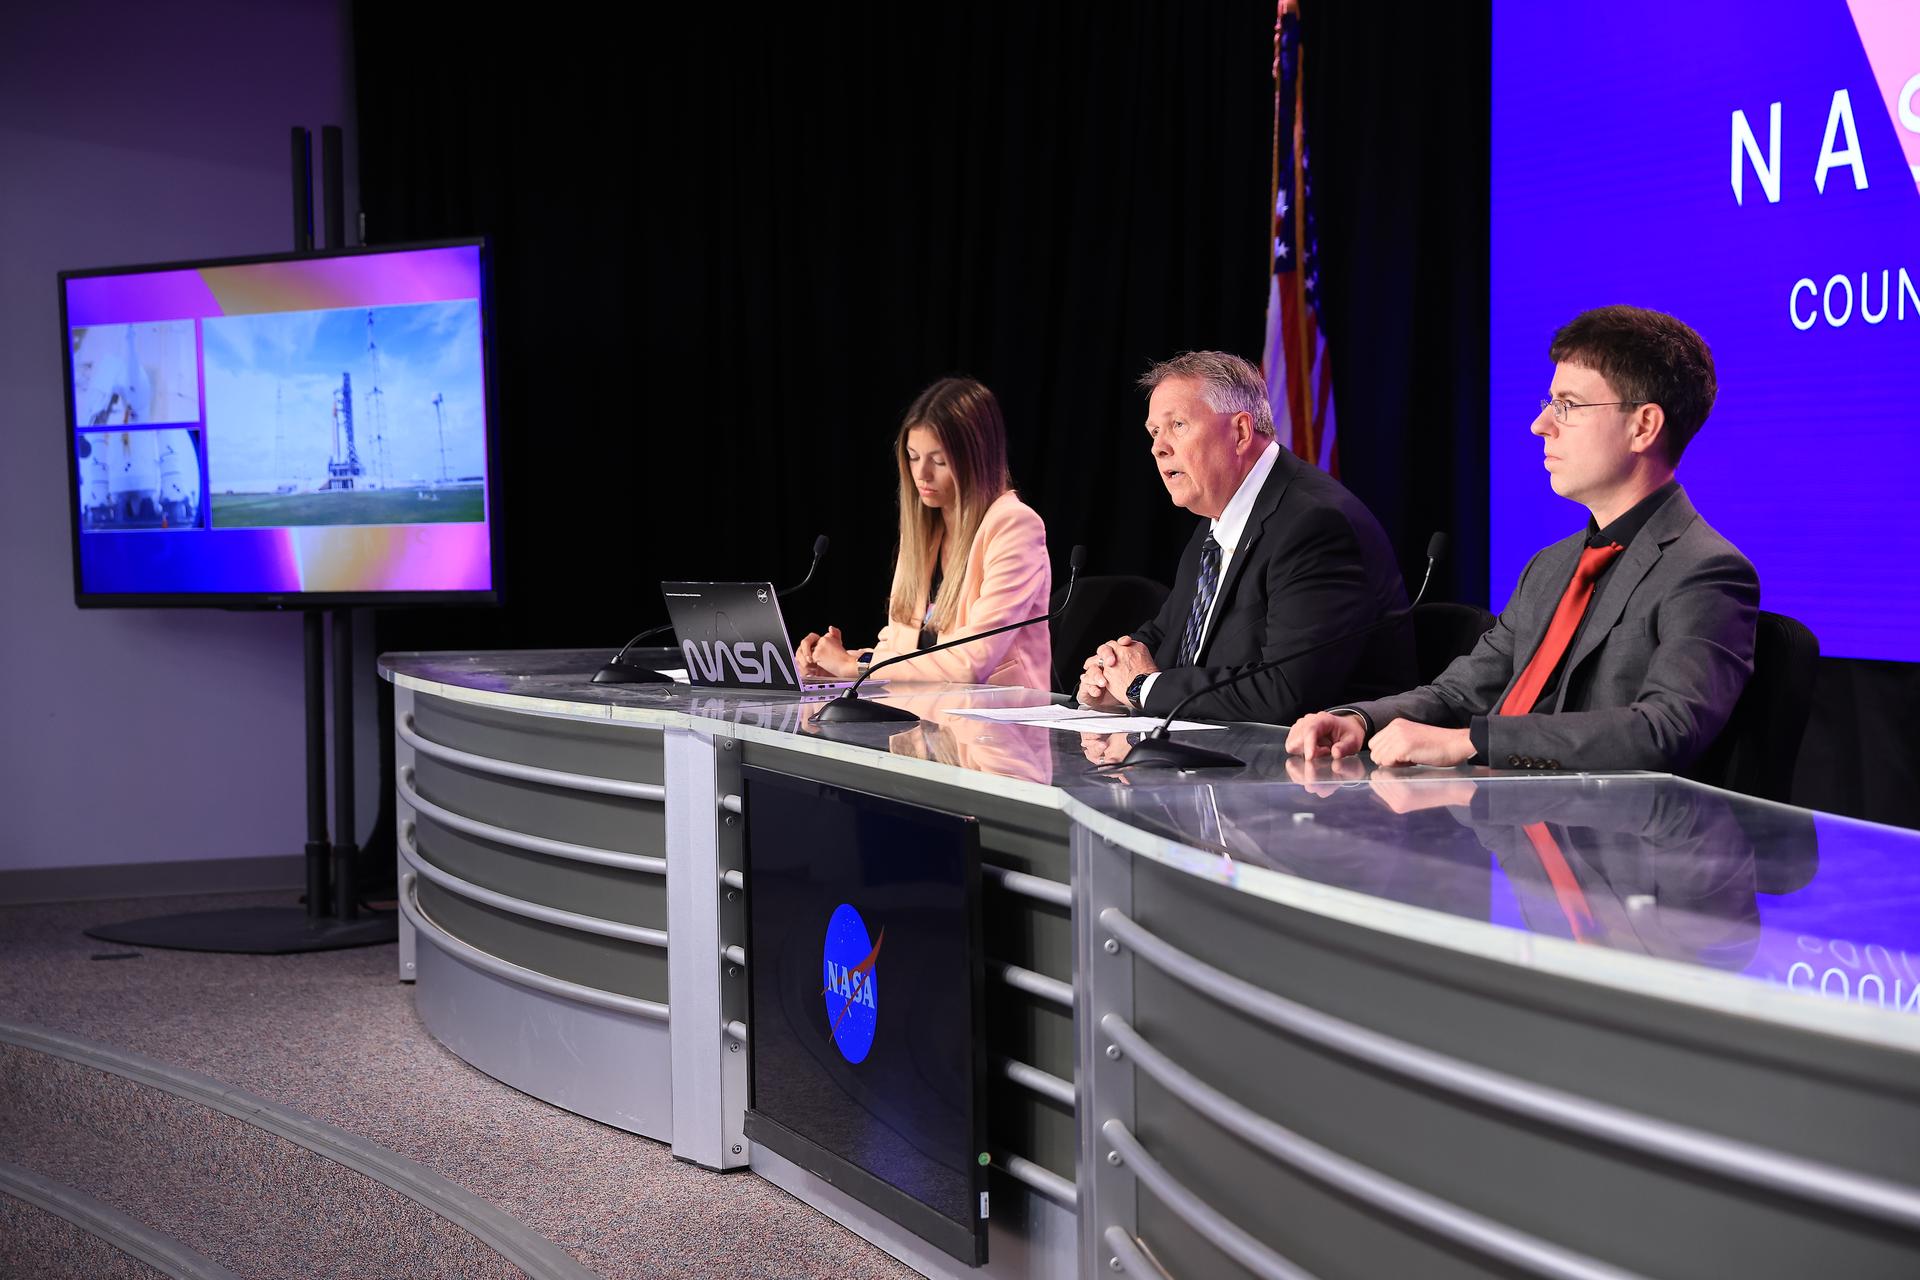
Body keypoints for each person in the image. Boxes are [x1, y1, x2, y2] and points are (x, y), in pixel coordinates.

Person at [1287, 305, 1759, 772]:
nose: (1541, 425)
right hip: (1504, 824)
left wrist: (1472, 742)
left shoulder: (1705, 570)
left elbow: (1664, 729)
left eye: (1567, 406)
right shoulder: (1550, 566)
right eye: (1549, 404)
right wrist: (1359, 718)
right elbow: (1461, 693)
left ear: (1643, 426)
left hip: (1607, 840)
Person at [1076, 351, 1414, 722]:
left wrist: (1141, 688)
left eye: (1178, 425)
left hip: (1320, 771)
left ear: (1240, 432)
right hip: (1223, 758)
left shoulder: (1314, 524)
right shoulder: (1216, 521)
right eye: (1154, 431)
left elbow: (1285, 690)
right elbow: (1166, 633)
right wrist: (1111, 670)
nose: (1159, 447)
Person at [796, 376, 1051, 688]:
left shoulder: (1014, 525)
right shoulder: (923, 531)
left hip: (999, 723)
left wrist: (858, 666)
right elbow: (903, 650)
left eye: (939, 461)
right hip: (922, 717)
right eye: (913, 457)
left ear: (977, 459)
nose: (921, 475)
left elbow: (970, 663)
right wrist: (836, 663)